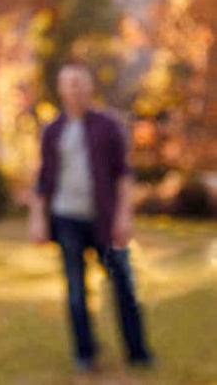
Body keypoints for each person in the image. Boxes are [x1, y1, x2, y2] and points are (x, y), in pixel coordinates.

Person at [28, 62, 154, 373]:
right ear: (61, 88)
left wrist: (124, 217)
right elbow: (42, 179)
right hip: (66, 219)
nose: (75, 88)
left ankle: (138, 353)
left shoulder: (108, 126)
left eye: (80, 82)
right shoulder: (53, 130)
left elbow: (124, 176)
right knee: (75, 291)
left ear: (89, 87)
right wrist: (38, 218)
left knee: (123, 286)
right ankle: (85, 354)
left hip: (104, 222)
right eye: (69, 82)